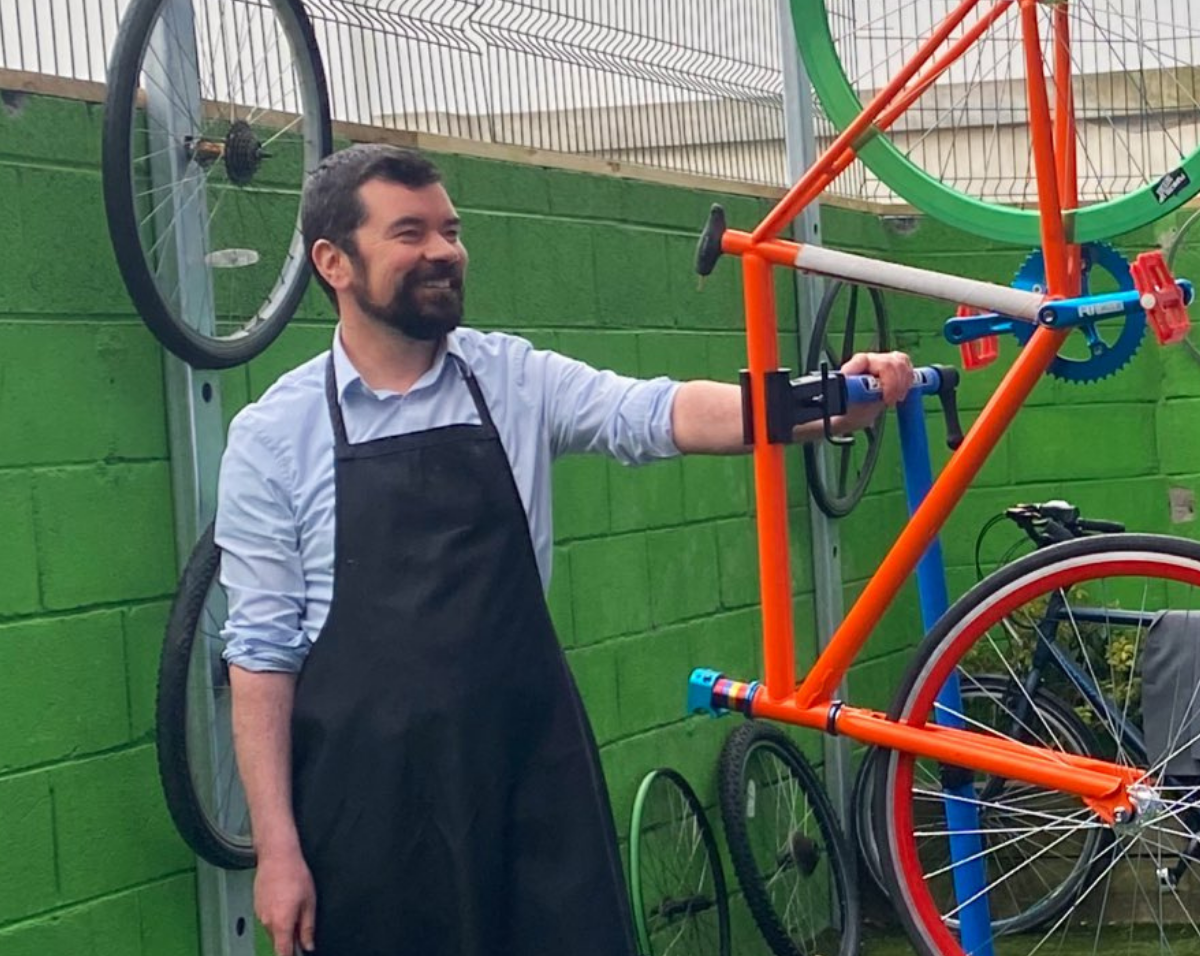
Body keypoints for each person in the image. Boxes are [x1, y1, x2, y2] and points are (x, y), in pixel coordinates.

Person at [216, 143, 913, 956]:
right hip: (368, 808)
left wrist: (830, 400)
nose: (443, 250)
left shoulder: (510, 377)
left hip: (529, 780)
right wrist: (279, 850)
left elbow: (659, 414)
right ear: (334, 262)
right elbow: (261, 659)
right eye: (410, 233)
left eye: (451, 229)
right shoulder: (272, 436)